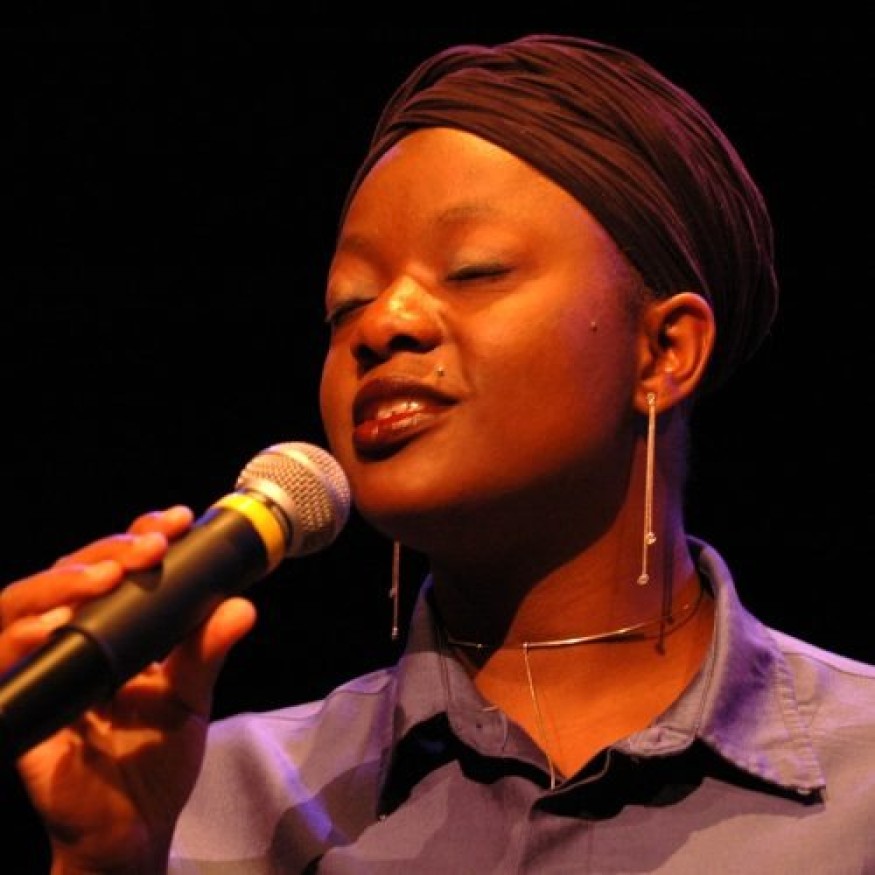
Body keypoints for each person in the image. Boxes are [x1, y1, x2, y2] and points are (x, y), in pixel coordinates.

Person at [2, 32, 874, 873]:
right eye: (347, 303)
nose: (383, 323)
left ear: (662, 352)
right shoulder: (202, 800)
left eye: (473, 270)